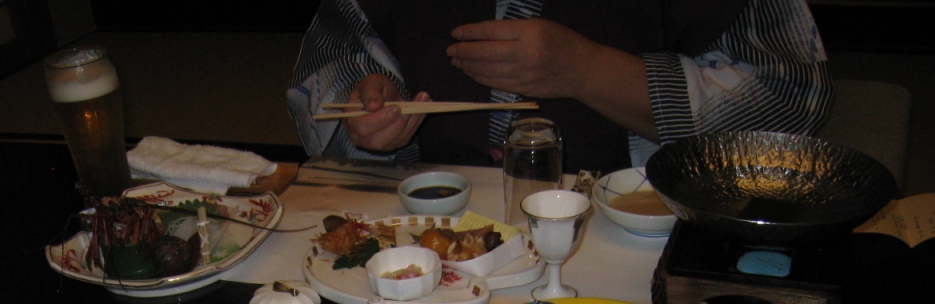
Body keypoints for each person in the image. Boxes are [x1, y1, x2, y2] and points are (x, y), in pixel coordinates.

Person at [288, 0, 832, 173]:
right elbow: (334, 62)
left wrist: (586, 70)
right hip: (426, 222)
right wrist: (372, 110)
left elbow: (786, 99)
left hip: (628, 222)